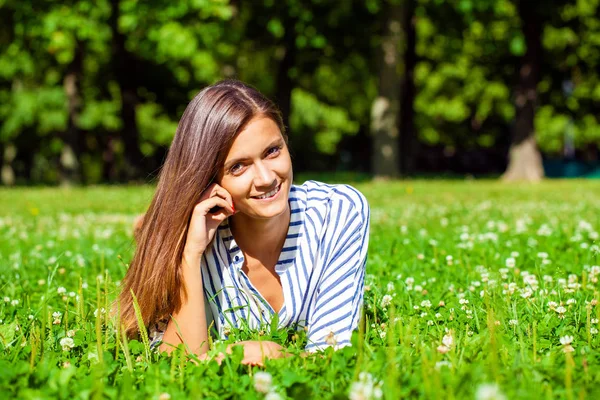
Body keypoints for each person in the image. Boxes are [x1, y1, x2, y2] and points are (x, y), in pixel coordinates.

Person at [118, 80, 370, 365]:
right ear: (210, 179)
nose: (266, 179)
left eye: (272, 151)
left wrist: (273, 354)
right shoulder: (194, 238)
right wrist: (190, 255)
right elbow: (174, 366)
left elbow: (332, 356)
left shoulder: (337, 212)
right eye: (238, 167)